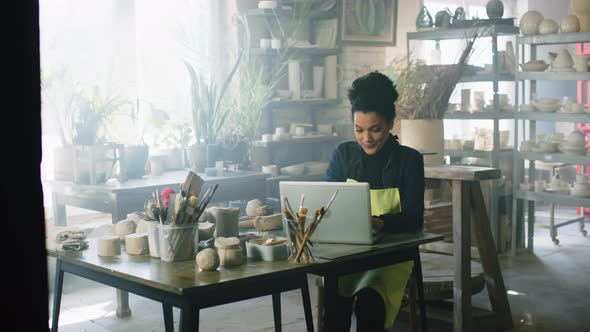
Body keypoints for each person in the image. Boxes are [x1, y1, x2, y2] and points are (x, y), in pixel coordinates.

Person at [323, 71, 425, 331]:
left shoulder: (409, 160)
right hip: (349, 253)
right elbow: (327, 207)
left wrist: (379, 223)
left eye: (375, 129)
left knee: (370, 302)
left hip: (391, 256)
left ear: (391, 123)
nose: (366, 138)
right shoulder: (343, 155)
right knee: (334, 299)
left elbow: (414, 218)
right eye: (359, 130)